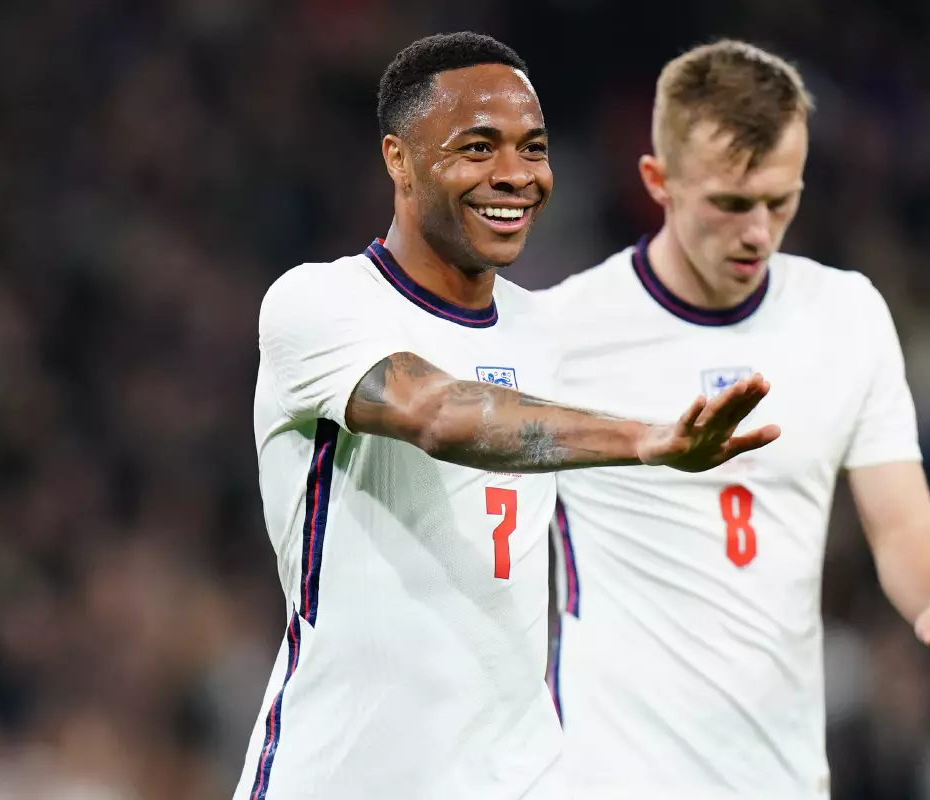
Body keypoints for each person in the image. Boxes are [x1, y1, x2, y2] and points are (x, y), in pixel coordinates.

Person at [234, 32, 780, 800]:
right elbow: (439, 414)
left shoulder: (552, 336)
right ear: (399, 159)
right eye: (479, 146)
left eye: (534, 147)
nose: (516, 175)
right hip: (341, 775)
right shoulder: (319, 304)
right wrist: (645, 440)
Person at [540, 40, 930, 800]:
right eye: (730, 203)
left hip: (781, 778)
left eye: (780, 202)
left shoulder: (845, 316)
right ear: (659, 181)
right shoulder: (561, 333)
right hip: (606, 777)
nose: (757, 232)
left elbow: (901, 524)